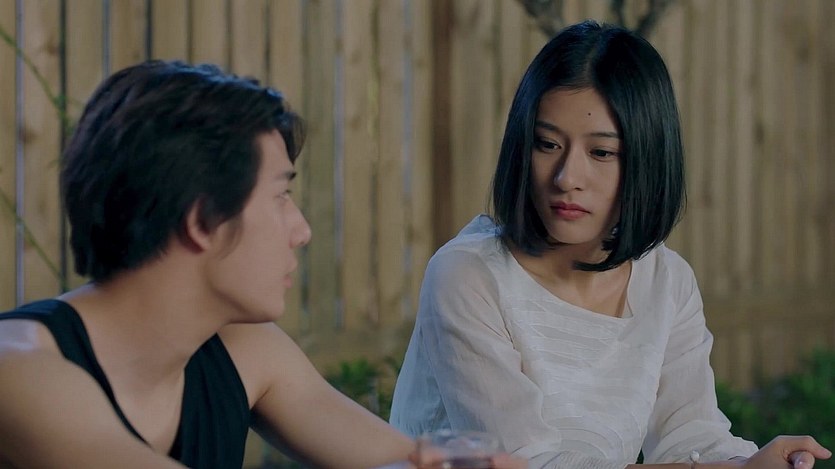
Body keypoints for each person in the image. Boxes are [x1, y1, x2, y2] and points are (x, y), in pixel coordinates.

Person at [0, 61, 523, 469]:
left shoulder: (246, 351)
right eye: (280, 196)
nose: (302, 230)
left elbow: (400, 459)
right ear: (202, 219)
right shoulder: (19, 370)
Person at [389, 21, 831, 469]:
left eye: (601, 153)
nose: (567, 178)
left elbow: (691, 436)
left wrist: (749, 465)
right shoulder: (468, 277)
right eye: (547, 144)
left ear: (648, 158)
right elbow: (526, 463)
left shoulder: (667, 281)